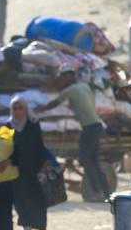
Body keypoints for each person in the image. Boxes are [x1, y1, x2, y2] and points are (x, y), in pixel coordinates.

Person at [43, 69, 110, 200]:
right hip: (97, 126)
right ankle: (105, 191)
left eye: (63, 78)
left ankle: (96, 188)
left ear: (69, 76)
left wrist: (38, 109)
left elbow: (54, 103)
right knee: (93, 161)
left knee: (84, 159)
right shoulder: (84, 87)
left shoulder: (70, 90)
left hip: (90, 128)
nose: (62, 81)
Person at [9, 97, 55, 230]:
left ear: (25, 109)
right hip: (15, 168)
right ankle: (25, 223)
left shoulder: (33, 125)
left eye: (20, 108)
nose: (18, 111)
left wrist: (45, 163)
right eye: (15, 108)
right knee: (19, 199)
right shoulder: (7, 127)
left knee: (33, 198)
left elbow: (39, 145)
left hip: (32, 167)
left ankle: (29, 224)